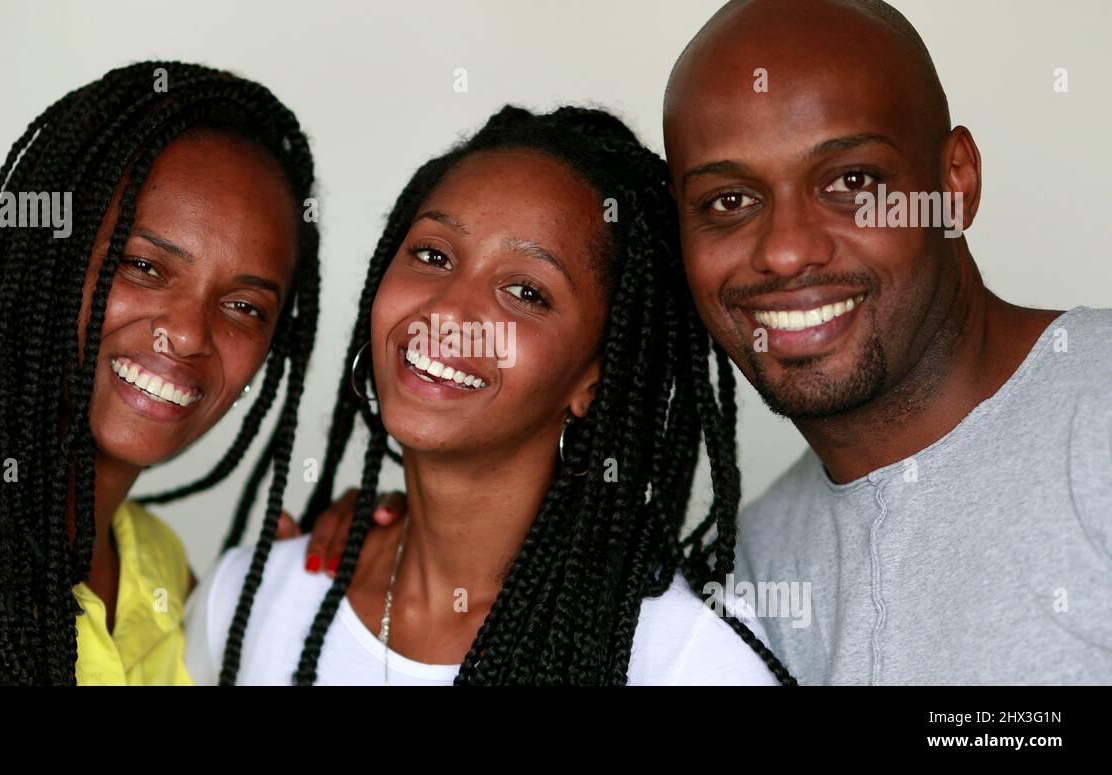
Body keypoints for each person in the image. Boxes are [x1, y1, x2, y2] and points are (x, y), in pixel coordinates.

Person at [186, 105, 793, 685]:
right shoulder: (250, 601)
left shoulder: (689, 661)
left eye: (526, 292)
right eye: (432, 254)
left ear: (595, 379)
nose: (449, 312)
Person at [0, 62, 320, 685]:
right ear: (44, 262)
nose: (188, 334)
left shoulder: (161, 572)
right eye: (143, 266)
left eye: (245, 307)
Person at [662, 0, 1111, 683]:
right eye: (729, 200)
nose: (785, 251)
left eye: (851, 181)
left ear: (955, 182)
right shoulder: (746, 578)